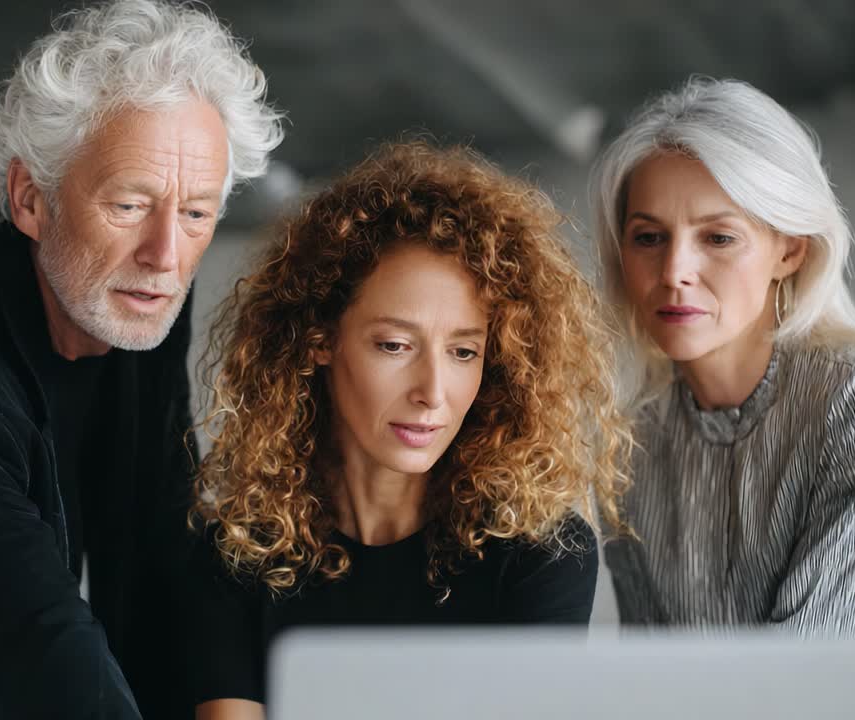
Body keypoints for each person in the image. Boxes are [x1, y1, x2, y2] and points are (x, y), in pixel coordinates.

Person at [0, 1, 284, 718]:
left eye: (196, 213)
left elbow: (168, 541)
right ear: (30, 200)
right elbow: (36, 651)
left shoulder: (131, 296)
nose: (166, 255)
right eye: (129, 206)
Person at [184, 141, 632, 719]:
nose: (433, 391)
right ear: (320, 338)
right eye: (394, 345)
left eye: (464, 352)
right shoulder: (238, 553)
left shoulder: (540, 553)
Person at [591, 76, 855, 633]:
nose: (673, 273)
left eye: (718, 238)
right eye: (649, 237)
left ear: (789, 250)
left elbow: (811, 664)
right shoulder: (629, 439)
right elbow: (646, 666)